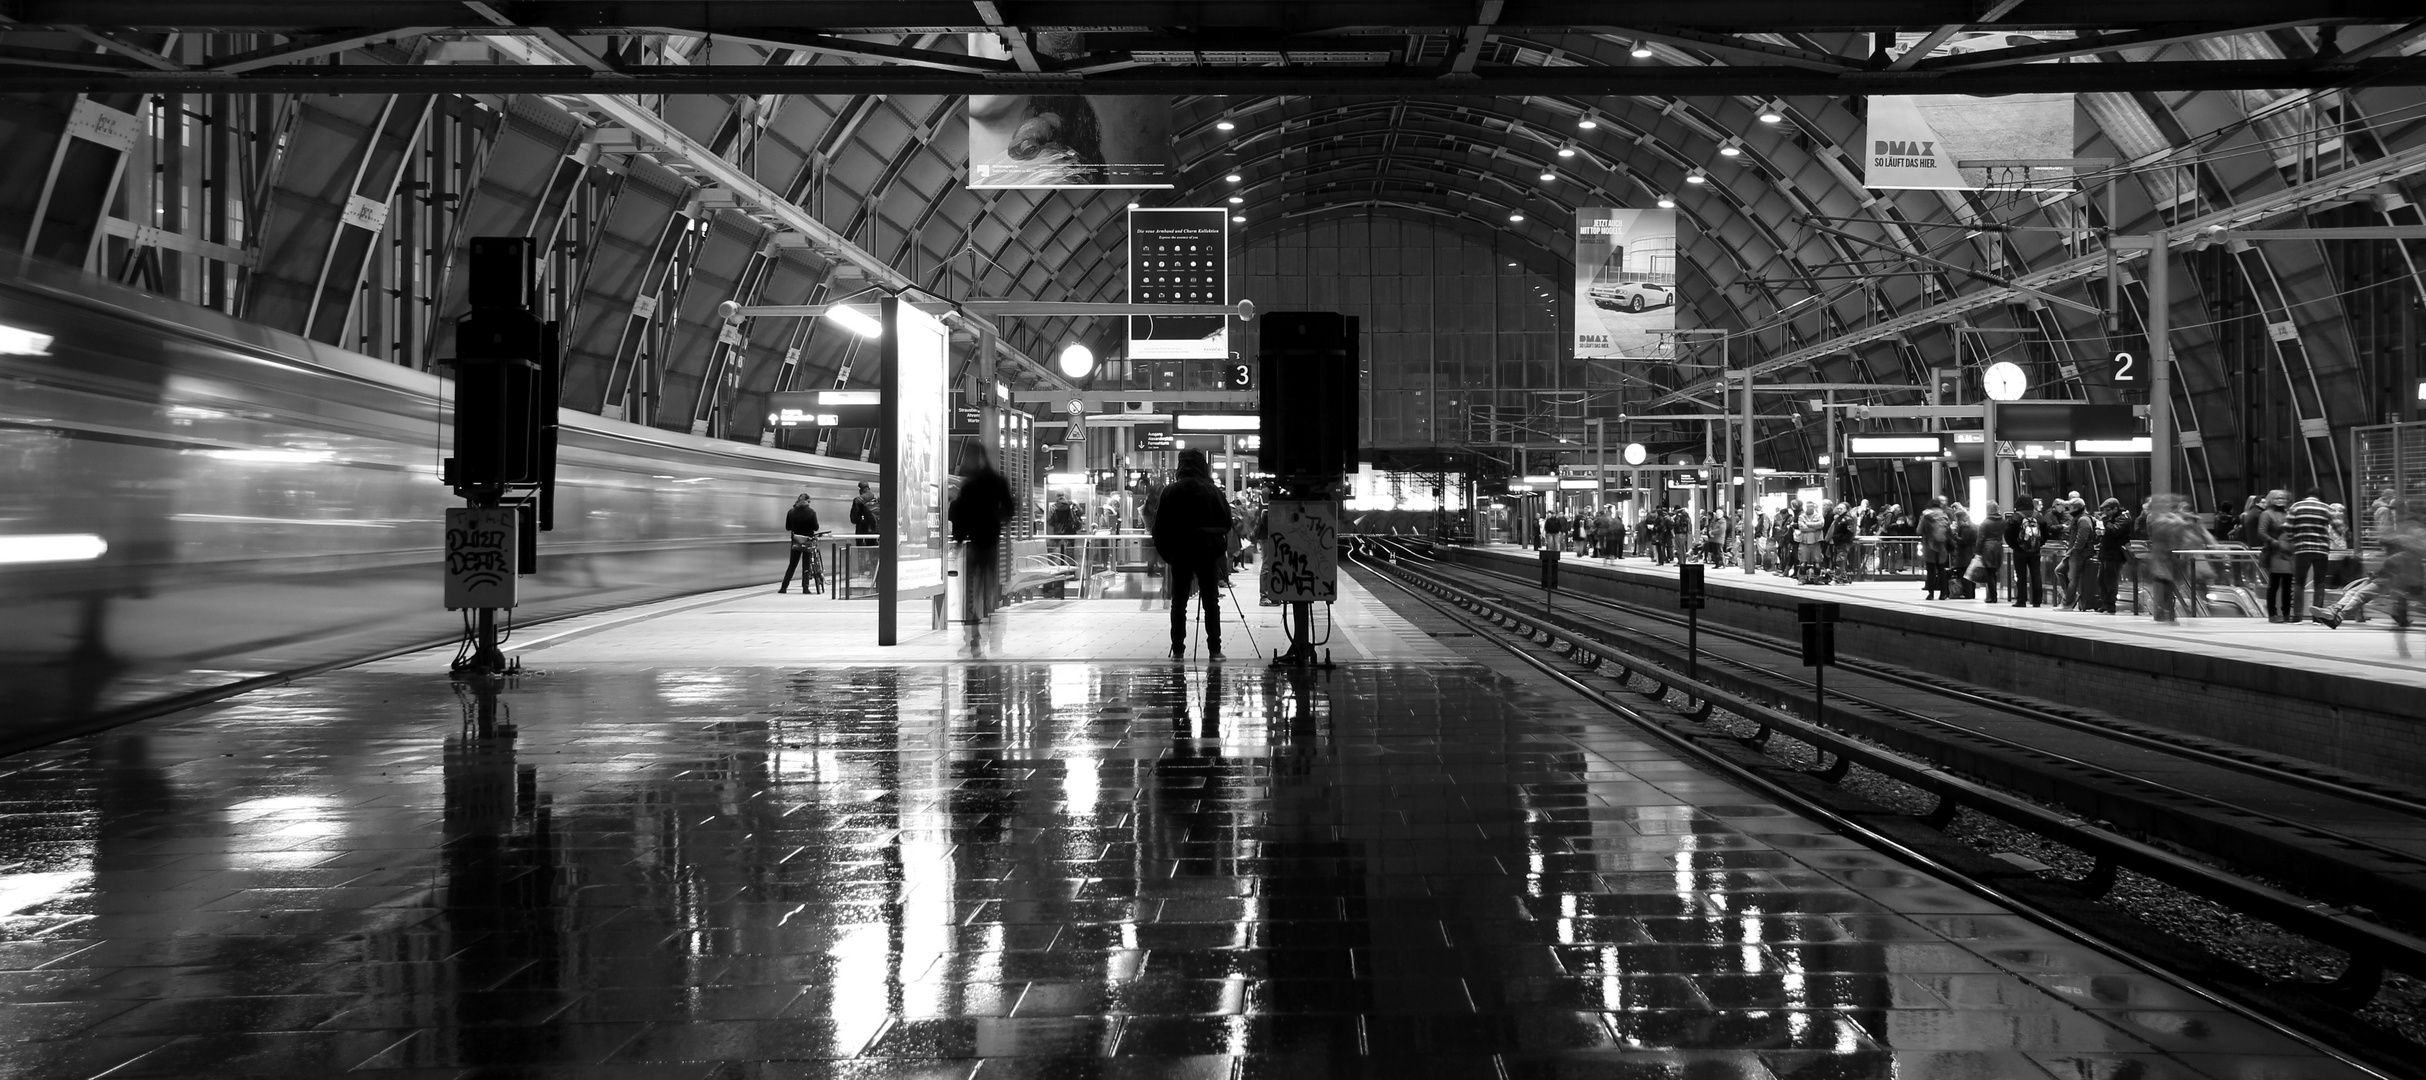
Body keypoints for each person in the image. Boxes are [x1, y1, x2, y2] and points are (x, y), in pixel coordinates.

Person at [1152, 448, 1235, 661]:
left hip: (1180, 551)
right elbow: (1226, 522)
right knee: (1211, 601)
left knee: (1178, 601)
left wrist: (1169, 555)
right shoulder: (1213, 491)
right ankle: (1214, 650)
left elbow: (1159, 528)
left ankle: (1178, 649)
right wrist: (1217, 548)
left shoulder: (1171, 491)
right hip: (1207, 552)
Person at [947, 445, 1015, 656]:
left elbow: (961, 516)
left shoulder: (969, 485)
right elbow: (1010, 509)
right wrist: (995, 519)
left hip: (975, 543)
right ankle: (993, 636)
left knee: (973, 592)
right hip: (992, 542)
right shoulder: (997, 481)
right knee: (989, 590)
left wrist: (958, 542)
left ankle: (975, 639)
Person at [2145, 494, 2212, 624]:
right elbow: (2172, 525)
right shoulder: (2158, 519)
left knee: (2168, 585)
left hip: (2169, 559)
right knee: (2166, 585)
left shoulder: (2167, 518)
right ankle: (2167, 611)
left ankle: (2168, 611)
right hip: (2163, 558)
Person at [2287, 487, 2334, 621]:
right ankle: (2317, 618)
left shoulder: (2296, 507)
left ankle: (2297, 617)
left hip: (2302, 549)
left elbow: (2288, 527)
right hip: (2321, 550)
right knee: (2319, 583)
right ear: (2319, 496)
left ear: (2306, 495)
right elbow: (2338, 526)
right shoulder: (2326, 508)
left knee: (2299, 583)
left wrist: (2294, 537)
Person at [2005, 496, 2050, 607]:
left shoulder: (2015, 517)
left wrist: (2015, 546)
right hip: (2035, 551)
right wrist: (2039, 544)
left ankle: (2021, 600)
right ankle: (2037, 600)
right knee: (2036, 574)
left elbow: (2007, 533)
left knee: (2021, 575)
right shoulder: (2038, 516)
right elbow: (2046, 533)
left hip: (2019, 551)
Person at [2256, 489, 2294, 622]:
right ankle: (2272, 613)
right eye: (2277, 498)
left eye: (2283, 498)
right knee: (2274, 583)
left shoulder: (2288, 513)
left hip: (2289, 551)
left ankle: (2287, 613)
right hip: (2275, 552)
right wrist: (2275, 542)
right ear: (2271, 499)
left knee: (2288, 585)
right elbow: (2261, 532)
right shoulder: (2267, 514)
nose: (2280, 501)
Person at [779, 493, 823, 594]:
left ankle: (784, 587)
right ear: (807, 501)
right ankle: (805, 588)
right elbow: (816, 527)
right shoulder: (811, 512)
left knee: (792, 564)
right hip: (807, 540)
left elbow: (788, 527)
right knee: (806, 565)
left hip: (796, 541)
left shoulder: (791, 512)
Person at [2062, 500, 2101, 611]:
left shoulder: (2083, 519)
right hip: (2074, 552)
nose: (2069, 510)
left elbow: (2081, 538)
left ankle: (2068, 602)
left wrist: (2074, 550)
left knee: (2073, 578)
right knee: (2059, 571)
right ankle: (2071, 596)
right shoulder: (2078, 519)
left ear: (2077, 508)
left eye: (2071, 507)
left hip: (2078, 553)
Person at [2095, 498, 2132, 614]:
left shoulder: (2123, 518)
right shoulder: (2112, 518)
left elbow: (2115, 531)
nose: (2105, 513)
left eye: (2107, 510)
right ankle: (2105, 603)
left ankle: (2111, 605)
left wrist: (2105, 521)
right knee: (2101, 580)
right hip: (2106, 553)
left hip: (2115, 554)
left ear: (2115, 509)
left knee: (2111, 580)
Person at [1919, 498, 1952, 599]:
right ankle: (1943, 594)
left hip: (1929, 546)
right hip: (1942, 546)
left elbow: (1919, 530)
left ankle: (1931, 593)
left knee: (1930, 570)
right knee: (1942, 570)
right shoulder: (1944, 515)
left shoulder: (1926, 516)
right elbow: (1949, 530)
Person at [1972, 501, 2004, 604]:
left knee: (1989, 573)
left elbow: (1980, 539)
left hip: (1987, 549)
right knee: (1994, 572)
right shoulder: (2002, 521)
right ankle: (1992, 595)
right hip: (1998, 547)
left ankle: (1992, 596)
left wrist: (1977, 552)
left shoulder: (1985, 523)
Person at [1539, 506, 1570, 588]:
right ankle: (1551, 551)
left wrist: (1559, 531)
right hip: (1551, 532)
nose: (1552, 515)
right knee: (1551, 543)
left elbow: (1559, 526)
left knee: (1556, 542)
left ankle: (1556, 552)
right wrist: (1548, 532)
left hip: (1555, 532)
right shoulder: (1549, 520)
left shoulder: (1556, 520)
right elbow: (1547, 527)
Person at [849, 481, 878, 545]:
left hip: (861, 532)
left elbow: (854, 519)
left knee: (861, 552)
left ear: (860, 489)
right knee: (873, 552)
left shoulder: (858, 501)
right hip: (874, 532)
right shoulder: (876, 500)